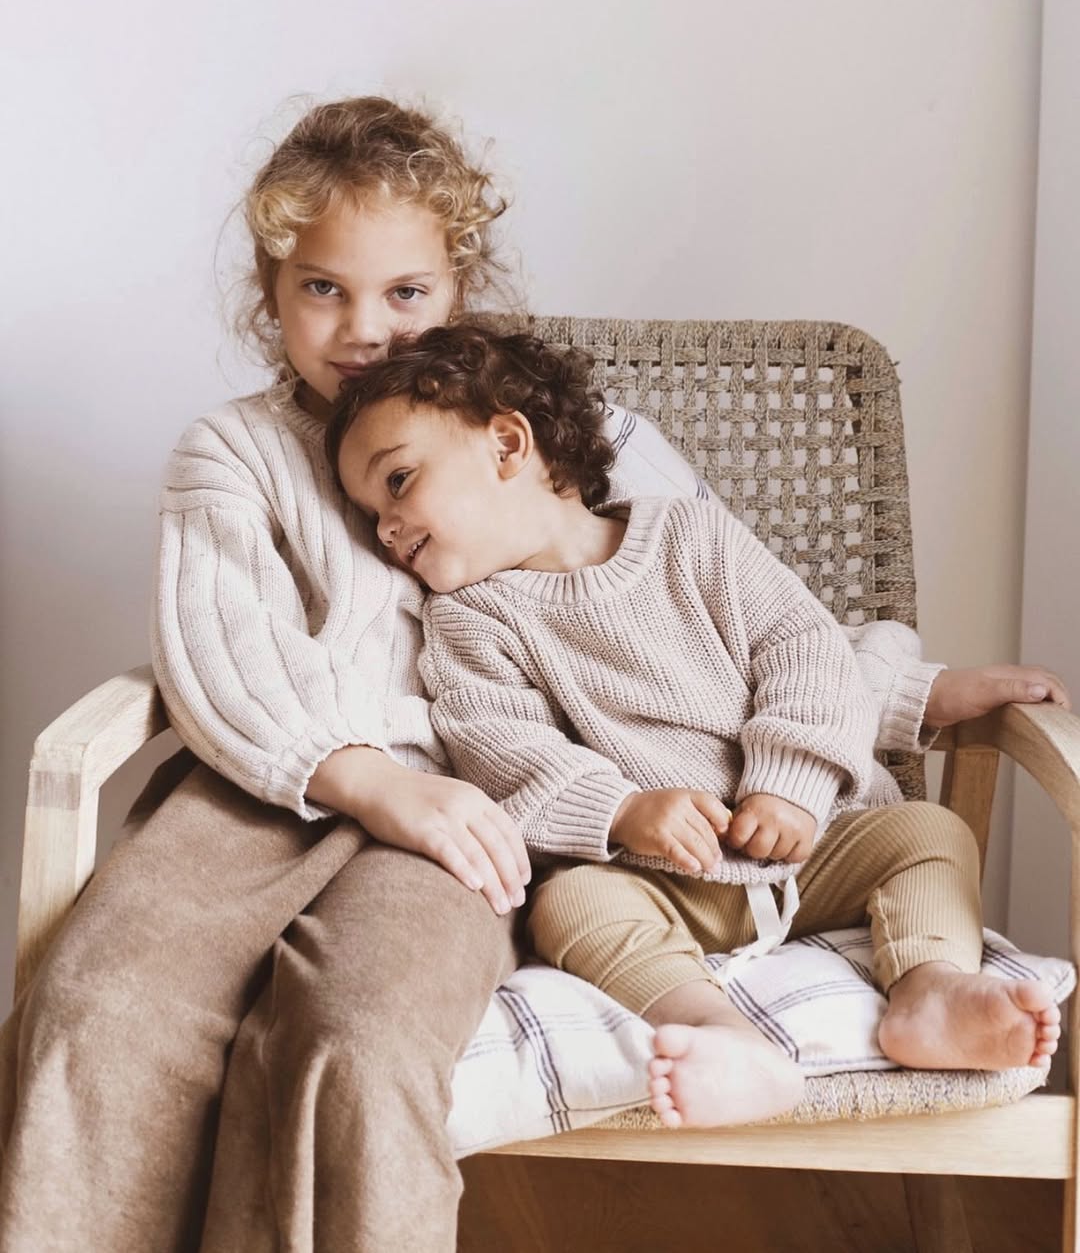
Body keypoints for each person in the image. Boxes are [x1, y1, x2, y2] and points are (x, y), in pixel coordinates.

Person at [0, 96, 1061, 1251]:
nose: (367, 329)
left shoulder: (589, 446)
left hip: (482, 828)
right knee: (102, 1002)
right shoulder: (239, 455)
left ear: (458, 289)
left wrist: (908, 693)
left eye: (406, 292)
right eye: (322, 289)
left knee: (361, 1033)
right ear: (271, 292)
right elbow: (223, 660)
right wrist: (381, 781)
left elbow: (744, 627)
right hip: (281, 789)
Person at [327, 321, 1067, 1132]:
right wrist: (621, 812)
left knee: (928, 831)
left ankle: (929, 991)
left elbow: (804, 649)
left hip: (807, 849)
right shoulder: (471, 620)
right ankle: (723, 1037)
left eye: (397, 482)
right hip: (656, 882)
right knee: (572, 907)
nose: (387, 530)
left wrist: (789, 785)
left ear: (508, 444)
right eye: (370, 516)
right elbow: (504, 751)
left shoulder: (693, 537)